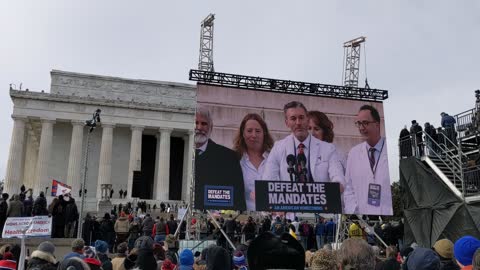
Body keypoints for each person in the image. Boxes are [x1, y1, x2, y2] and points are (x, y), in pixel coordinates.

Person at [262, 101, 345, 186]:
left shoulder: (328, 148)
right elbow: (268, 179)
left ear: (307, 120)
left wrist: (338, 186)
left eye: (301, 118)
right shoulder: (278, 147)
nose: (298, 123)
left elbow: (338, 177)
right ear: (287, 123)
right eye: (293, 118)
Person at [344, 105, 393, 215]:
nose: (361, 128)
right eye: (359, 124)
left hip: (387, 214)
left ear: (377, 124)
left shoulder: (391, 149)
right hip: (363, 216)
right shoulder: (353, 153)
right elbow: (348, 188)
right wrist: (353, 211)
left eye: (365, 123)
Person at [194, 106, 246, 210]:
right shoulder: (175, 151)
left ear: (211, 128)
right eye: (195, 122)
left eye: (204, 123)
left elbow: (238, 196)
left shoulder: (229, 157)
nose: (199, 127)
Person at [233, 113, 274, 211]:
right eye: (249, 131)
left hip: (273, 217)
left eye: (258, 131)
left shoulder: (274, 158)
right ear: (243, 133)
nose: (254, 135)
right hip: (244, 218)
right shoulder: (235, 160)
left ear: (264, 133)